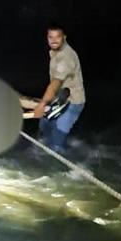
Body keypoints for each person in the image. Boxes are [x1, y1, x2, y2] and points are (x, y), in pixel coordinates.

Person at [29, 23, 85, 153]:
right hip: (59, 98)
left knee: (56, 144)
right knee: (44, 126)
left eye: (57, 37)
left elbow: (55, 83)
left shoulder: (66, 57)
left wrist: (42, 104)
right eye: (50, 37)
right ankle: (49, 148)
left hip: (72, 102)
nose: (53, 40)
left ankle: (68, 166)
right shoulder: (55, 52)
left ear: (64, 37)